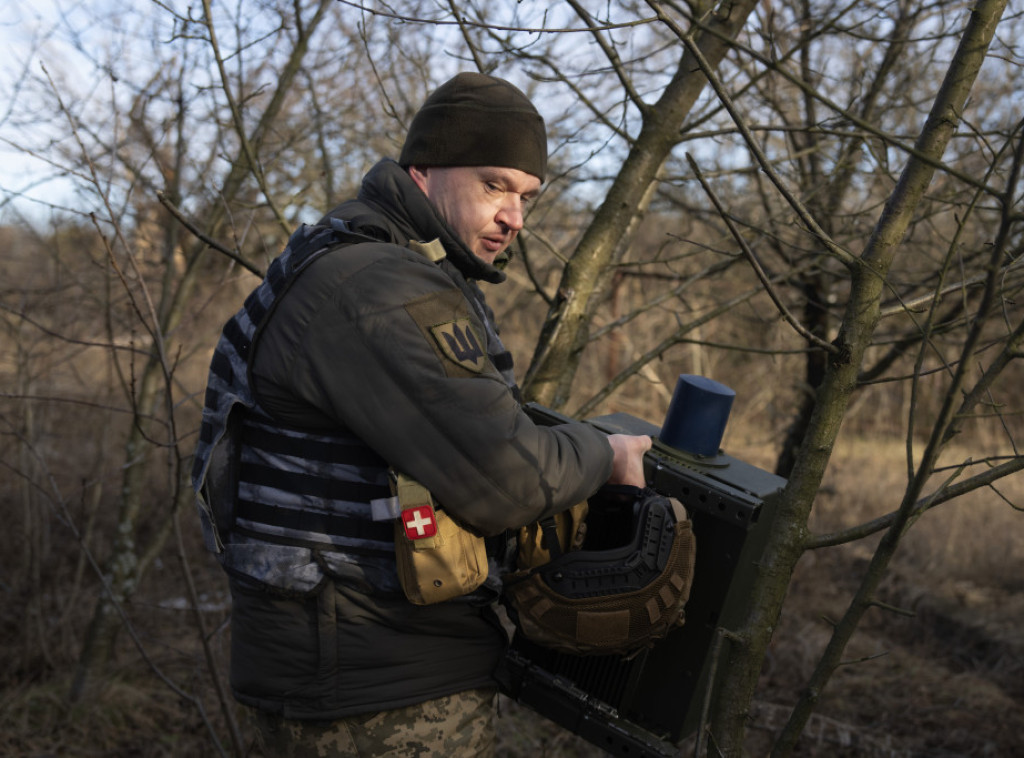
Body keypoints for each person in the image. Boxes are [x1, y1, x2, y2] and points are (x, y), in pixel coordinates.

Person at [191, 72, 652, 757]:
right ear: (424, 172)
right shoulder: (378, 286)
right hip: (373, 687)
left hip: (361, 667)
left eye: (528, 197)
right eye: (495, 185)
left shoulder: (370, 264)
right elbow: (507, 479)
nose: (514, 218)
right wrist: (607, 453)